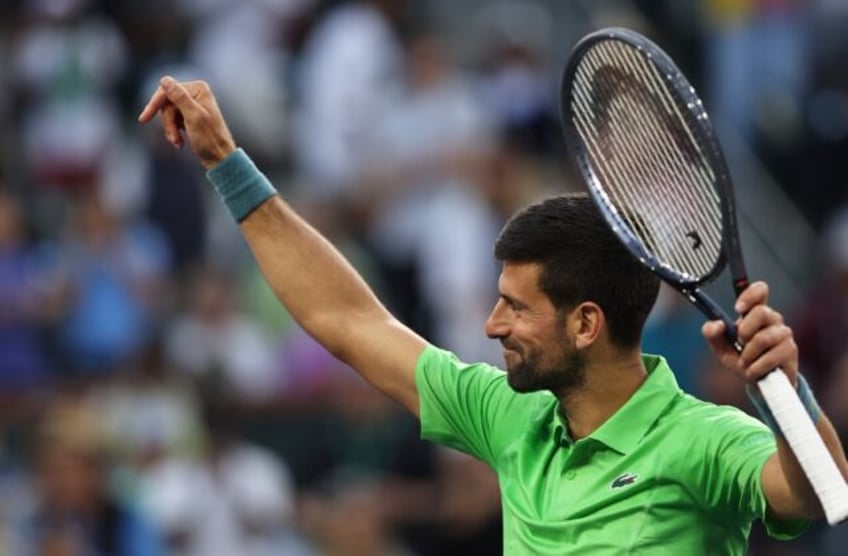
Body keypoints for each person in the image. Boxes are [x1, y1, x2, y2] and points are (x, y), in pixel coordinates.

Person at [138, 76, 848, 554]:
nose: (491, 326)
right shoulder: (511, 417)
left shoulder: (702, 439)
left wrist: (783, 388)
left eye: (514, 307)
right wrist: (226, 162)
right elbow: (347, 320)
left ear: (585, 324)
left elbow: (823, 495)